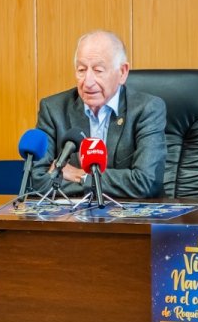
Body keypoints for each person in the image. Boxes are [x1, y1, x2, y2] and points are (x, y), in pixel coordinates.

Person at [30, 30, 166, 199]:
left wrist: (81, 176)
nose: (88, 82)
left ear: (122, 72)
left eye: (98, 70)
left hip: (132, 220)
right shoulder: (53, 109)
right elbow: (37, 182)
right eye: (81, 70)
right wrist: (114, 183)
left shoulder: (147, 109)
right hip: (73, 219)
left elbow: (146, 181)